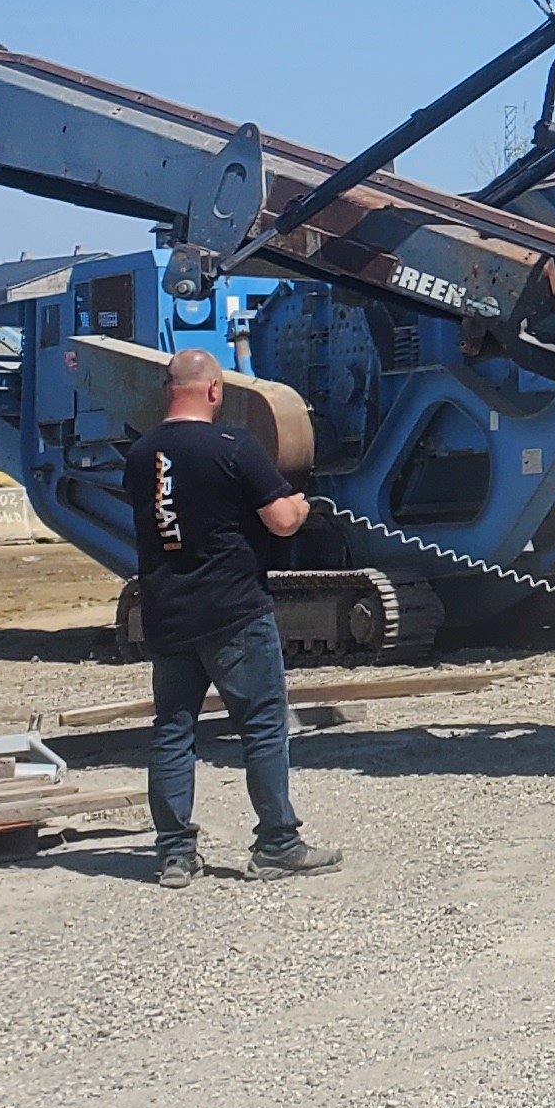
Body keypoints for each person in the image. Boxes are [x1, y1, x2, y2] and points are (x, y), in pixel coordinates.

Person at [130, 350, 342, 886]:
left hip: (168, 615)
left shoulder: (140, 455)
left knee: (173, 732)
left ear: (167, 389)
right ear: (214, 390)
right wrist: (300, 505)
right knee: (264, 728)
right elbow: (280, 521)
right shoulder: (233, 447)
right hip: (234, 613)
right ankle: (277, 844)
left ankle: (175, 855)